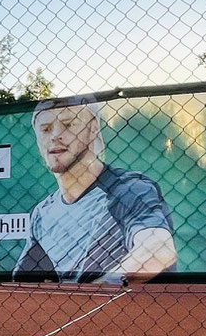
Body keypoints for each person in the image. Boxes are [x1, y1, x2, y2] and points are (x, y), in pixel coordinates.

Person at [13, 97, 177, 284]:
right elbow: (20, 283)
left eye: (69, 124)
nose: (56, 135)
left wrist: (99, 291)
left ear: (92, 129)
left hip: (135, 310)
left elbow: (160, 249)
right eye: (45, 129)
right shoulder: (42, 214)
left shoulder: (128, 189)